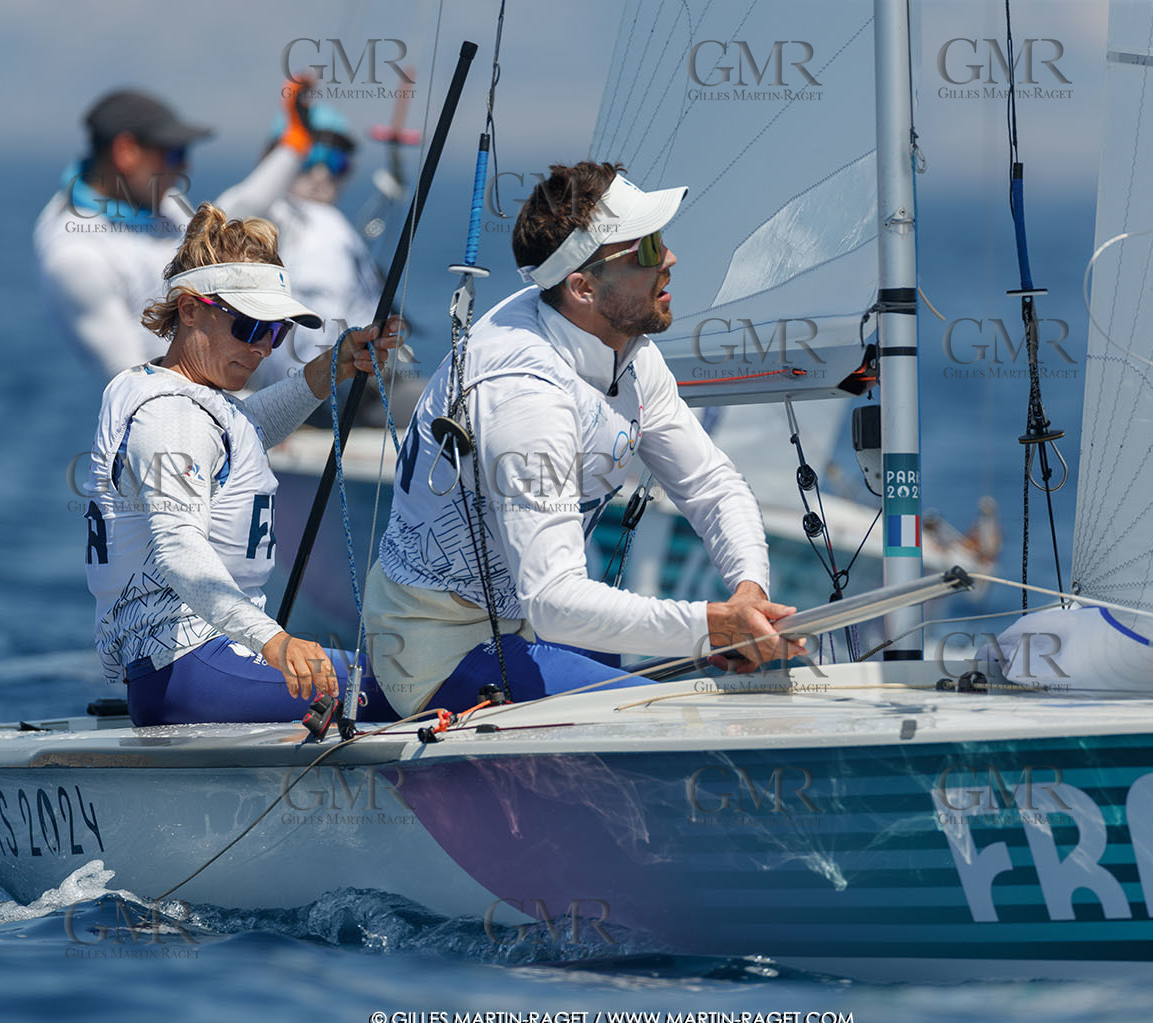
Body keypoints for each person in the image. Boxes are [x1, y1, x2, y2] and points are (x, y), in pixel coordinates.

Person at [364, 161, 806, 716]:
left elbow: (711, 485)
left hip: (526, 620)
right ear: (582, 287)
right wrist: (710, 627)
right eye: (645, 252)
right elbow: (553, 602)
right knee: (677, 718)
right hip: (439, 645)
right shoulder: (526, 396)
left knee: (720, 690)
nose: (669, 259)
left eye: (661, 241)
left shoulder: (626, 346)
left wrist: (748, 590)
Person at [83, 202, 403, 727]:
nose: (261, 349)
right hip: (193, 670)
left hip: (191, 666)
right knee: (418, 684)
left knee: (405, 678)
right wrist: (275, 642)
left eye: (275, 333)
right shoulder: (169, 418)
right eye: (249, 327)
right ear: (189, 309)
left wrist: (329, 368)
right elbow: (179, 549)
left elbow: (242, 433)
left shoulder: (167, 391)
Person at [36, 82, 320, 378]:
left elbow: (234, 213)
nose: (186, 166)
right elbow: (128, 376)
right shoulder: (75, 257)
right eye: (174, 154)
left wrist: (295, 142)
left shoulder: (161, 201)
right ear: (126, 151)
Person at [248, 102, 385, 393]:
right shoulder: (303, 221)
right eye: (309, 158)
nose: (322, 174)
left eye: (335, 162)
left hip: (340, 380)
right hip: (321, 388)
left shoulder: (334, 226)